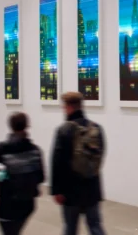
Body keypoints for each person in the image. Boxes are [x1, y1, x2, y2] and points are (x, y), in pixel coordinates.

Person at [52, 92, 106, 235]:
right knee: (95, 226)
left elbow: (57, 162)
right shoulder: (96, 128)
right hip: (92, 187)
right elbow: (101, 155)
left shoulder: (64, 130)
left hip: (71, 190)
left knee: (70, 228)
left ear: (69, 107)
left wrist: (56, 190)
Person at [0, 112, 45, 235]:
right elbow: (41, 177)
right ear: (27, 126)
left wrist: (3, 179)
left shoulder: (1, 149)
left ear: (10, 126)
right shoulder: (35, 150)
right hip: (27, 204)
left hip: (5, 205)